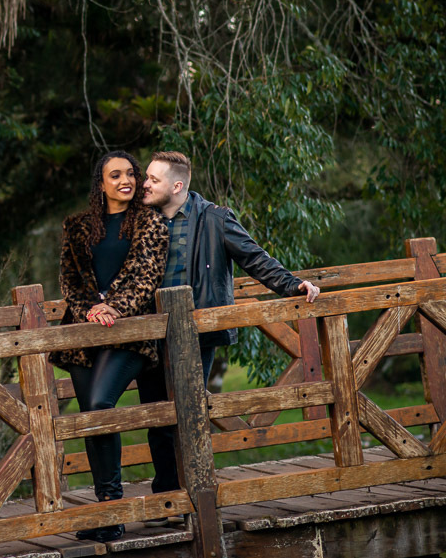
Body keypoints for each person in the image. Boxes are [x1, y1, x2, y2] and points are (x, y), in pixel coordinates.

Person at [136, 150, 320, 508]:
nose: (145, 184)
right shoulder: (141, 221)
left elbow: (254, 258)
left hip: (195, 334)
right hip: (149, 335)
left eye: (153, 179)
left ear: (177, 186)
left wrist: (292, 284)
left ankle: (195, 496)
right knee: (157, 419)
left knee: (189, 414)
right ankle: (167, 497)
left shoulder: (215, 219)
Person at [50, 150, 170, 543]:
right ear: (100, 184)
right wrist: (90, 310)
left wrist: (113, 308)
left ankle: (114, 509)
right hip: (84, 335)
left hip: (130, 331)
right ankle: (108, 513)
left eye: (131, 173)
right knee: (91, 415)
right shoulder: (77, 226)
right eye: (115, 175)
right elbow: (70, 280)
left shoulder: (151, 222)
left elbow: (147, 276)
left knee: (101, 405)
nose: (126, 180)